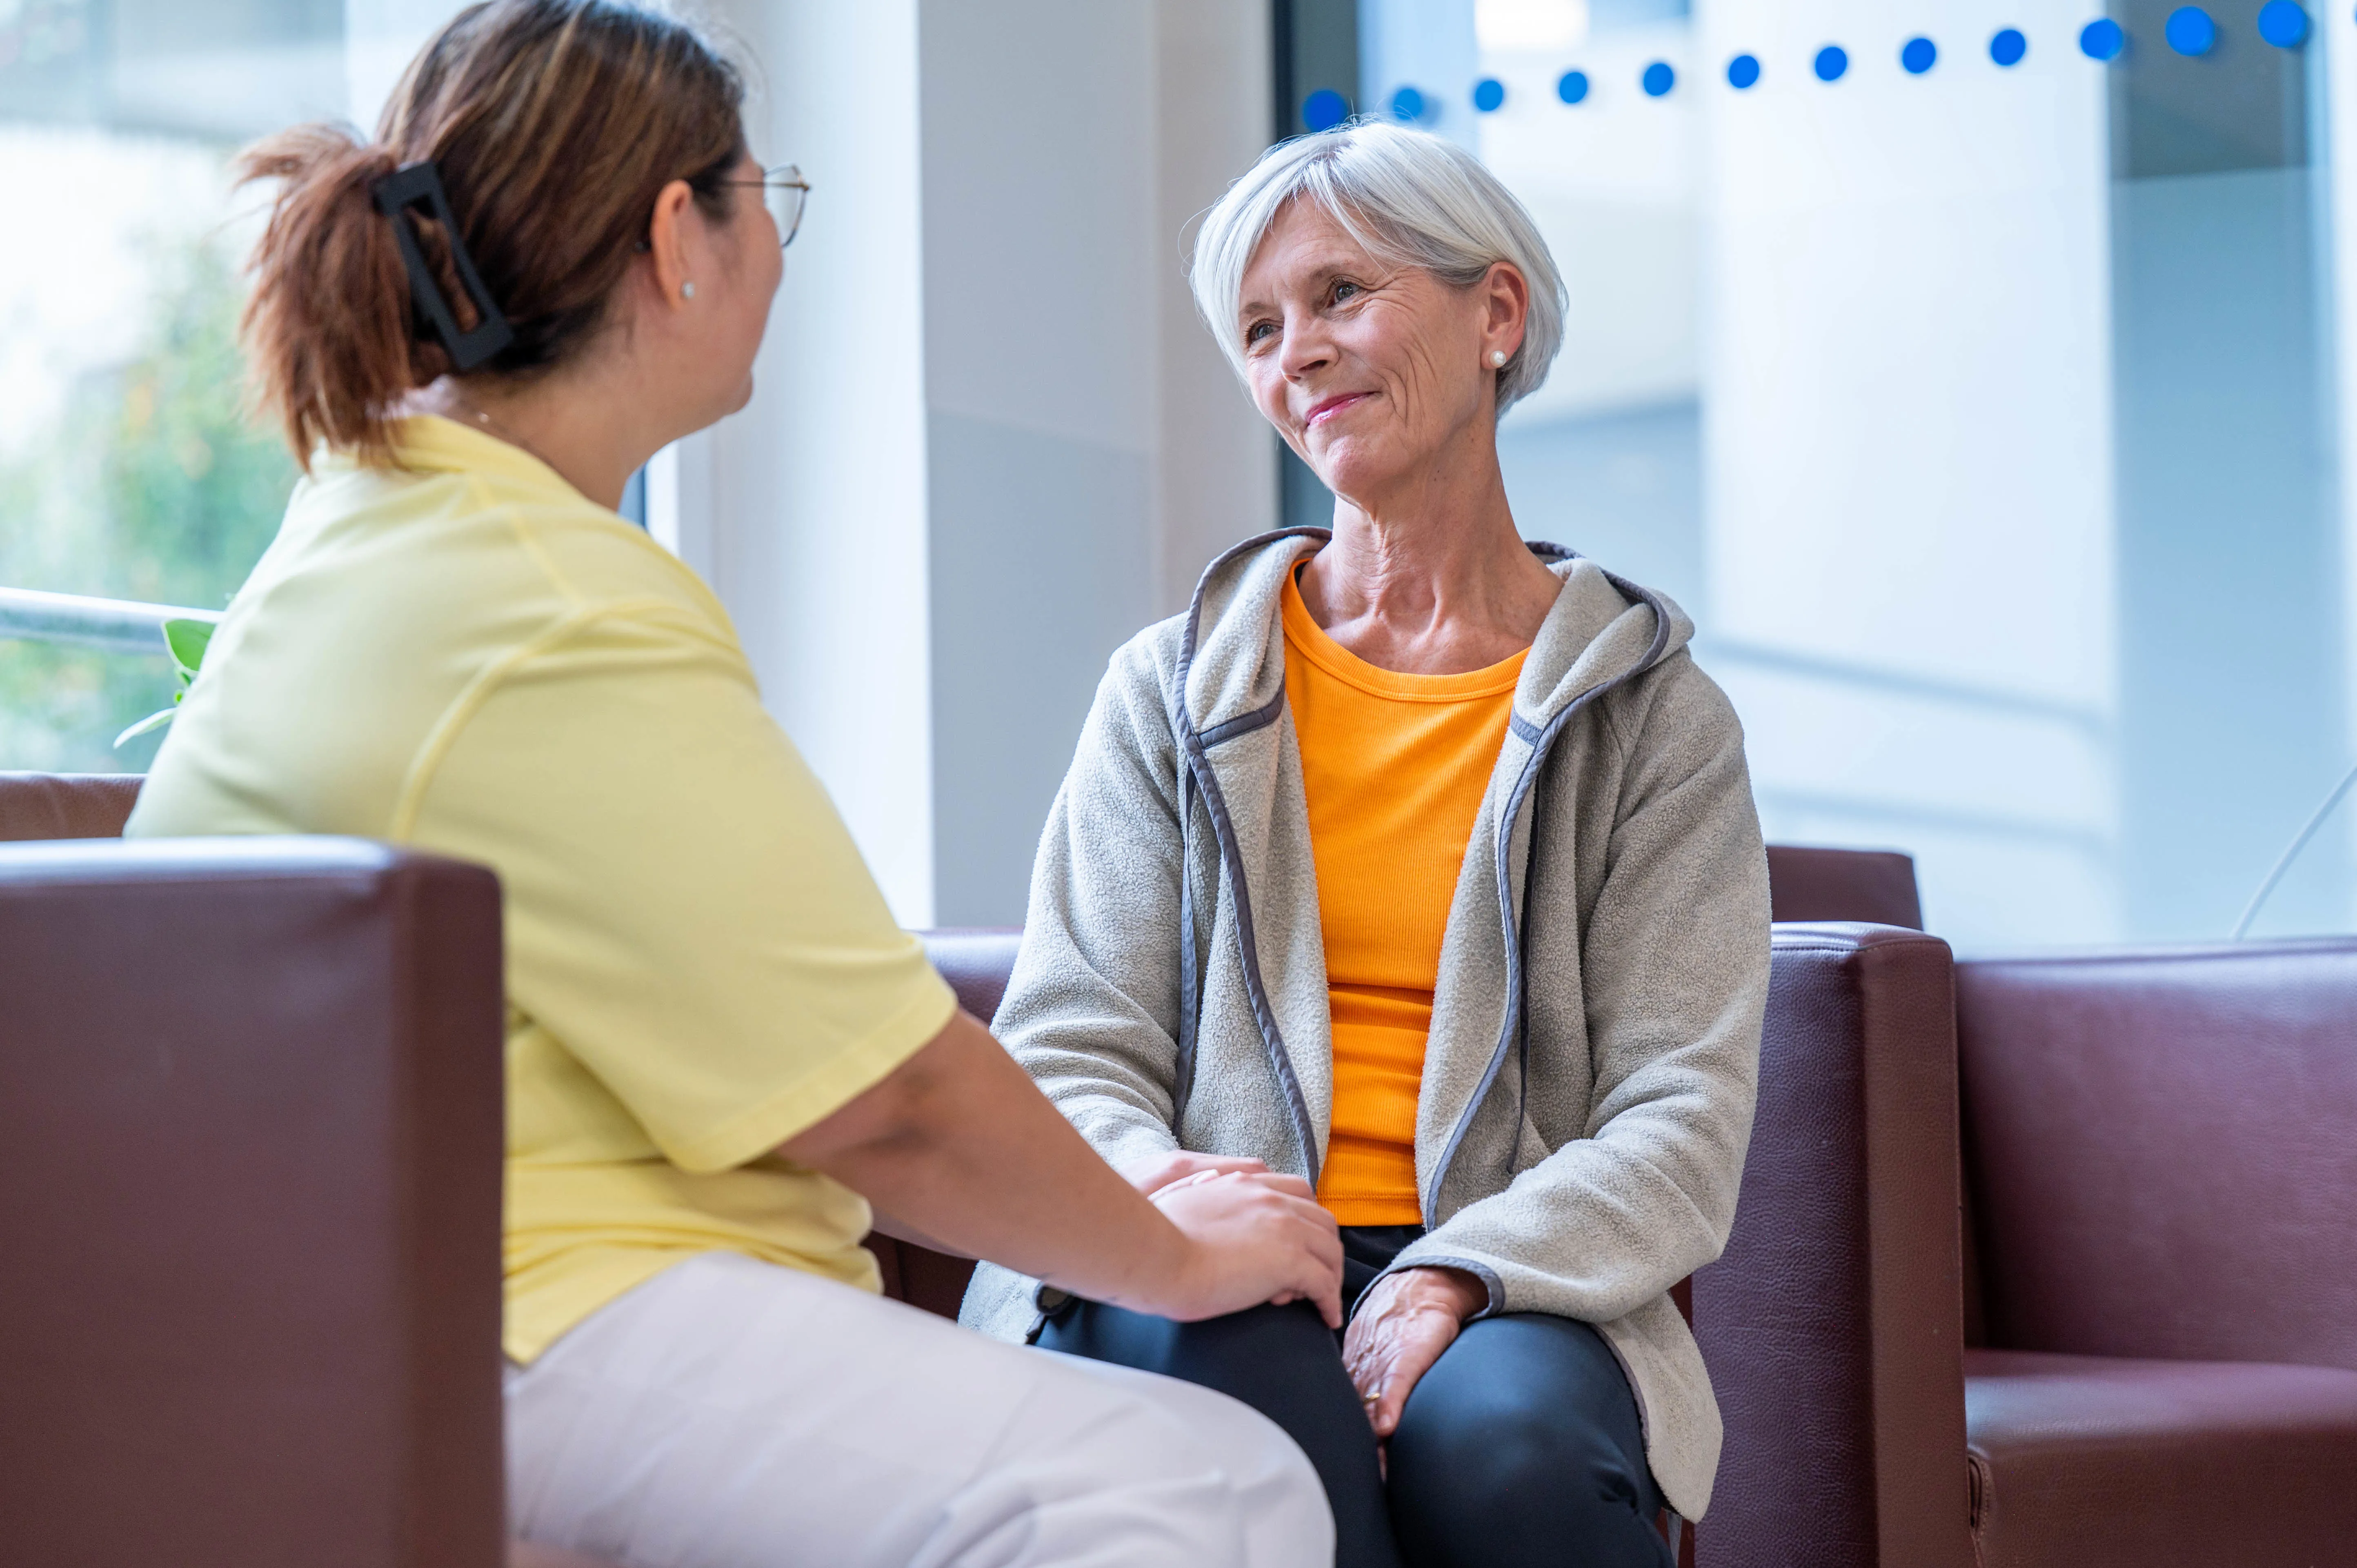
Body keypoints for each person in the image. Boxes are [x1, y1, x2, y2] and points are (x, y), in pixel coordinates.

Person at [122, 3, 1345, 1564]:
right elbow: (891, 1101)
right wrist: (1170, 1251)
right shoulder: (542, 597)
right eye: (768, 199)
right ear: (675, 238)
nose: (778, 245)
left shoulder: (387, 530)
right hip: (510, 1314)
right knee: (1202, 1491)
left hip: (427, 1298)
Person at [960, 120, 1771, 1568]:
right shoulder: (1172, 686)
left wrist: (1455, 1274)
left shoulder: (1657, 715)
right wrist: (1189, 1216)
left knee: (1510, 1461)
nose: (1297, 354)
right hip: (1189, 1245)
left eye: (1341, 294)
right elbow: (1070, 1050)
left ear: (1495, 317)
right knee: (1268, 1435)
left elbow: (1679, 1117)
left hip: (1510, 1275)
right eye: (1260, 329)